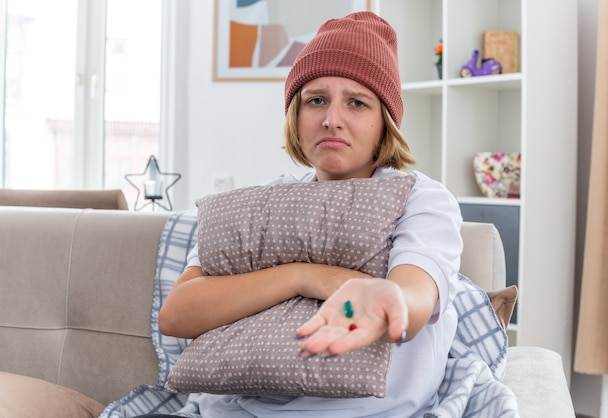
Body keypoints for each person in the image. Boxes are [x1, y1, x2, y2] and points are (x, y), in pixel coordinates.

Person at [155, 11, 462, 418]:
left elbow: (415, 298)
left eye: (357, 102)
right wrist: (306, 276)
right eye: (316, 100)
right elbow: (177, 314)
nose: (332, 119)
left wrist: (388, 297)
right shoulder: (267, 200)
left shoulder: (421, 200)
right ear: (295, 117)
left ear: (384, 122)